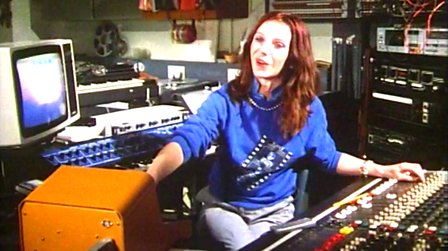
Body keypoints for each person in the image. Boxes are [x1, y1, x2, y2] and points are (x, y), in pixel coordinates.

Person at [147, 11, 426, 251]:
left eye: (278, 44)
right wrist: (150, 178)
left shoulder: (309, 109)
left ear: (293, 57)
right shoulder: (227, 98)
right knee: (246, 245)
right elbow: (189, 138)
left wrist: (383, 170)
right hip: (223, 208)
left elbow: (328, 157)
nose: (263, 50)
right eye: (259, 39)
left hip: (274, 214)